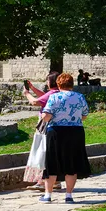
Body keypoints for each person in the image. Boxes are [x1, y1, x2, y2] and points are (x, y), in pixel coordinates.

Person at [38, 73, 91, 203]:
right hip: (75, 132)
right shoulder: (80, 97)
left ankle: (48, 195)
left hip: (56, 132)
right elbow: (84, 115)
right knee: (71, 163)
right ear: (72, 84)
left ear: (58, 84)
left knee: (52, 162)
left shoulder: (54, 97)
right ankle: (68, 195)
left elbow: (46, 116)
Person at [22, 72, 62, 190]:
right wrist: (33, 88)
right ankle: (55, 181)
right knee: (51, 153)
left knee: (41, 152)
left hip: (45, 126)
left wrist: (27, 93)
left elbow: (36, 102)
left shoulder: (52, 94)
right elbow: (44, 96)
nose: (46, 82)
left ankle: (42, 181)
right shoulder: (57, 93)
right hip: (56, 127)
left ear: (51, 82)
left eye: (47, 80)